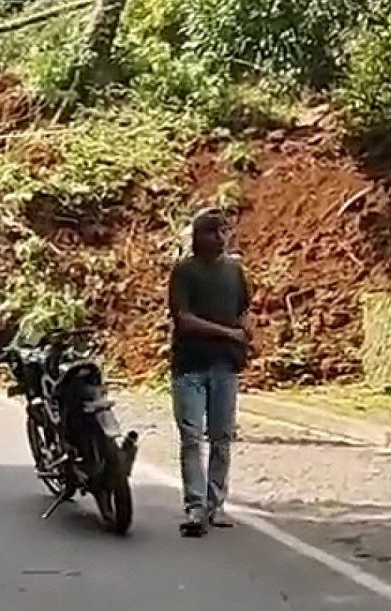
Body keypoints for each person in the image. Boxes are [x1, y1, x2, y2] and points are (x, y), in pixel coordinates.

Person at [168, 208, 253, 537]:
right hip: (189, 366)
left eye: (223, 231)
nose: (219, 238)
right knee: (191, 437)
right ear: (196, 237)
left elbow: (243, 310)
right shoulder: (184, 271)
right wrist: (229, 333)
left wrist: (246, 331)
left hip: (224, 366)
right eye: (211, 231)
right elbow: (184, 319)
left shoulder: (234, 271)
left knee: (221, 438)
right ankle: (195, 505)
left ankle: (216, 504)